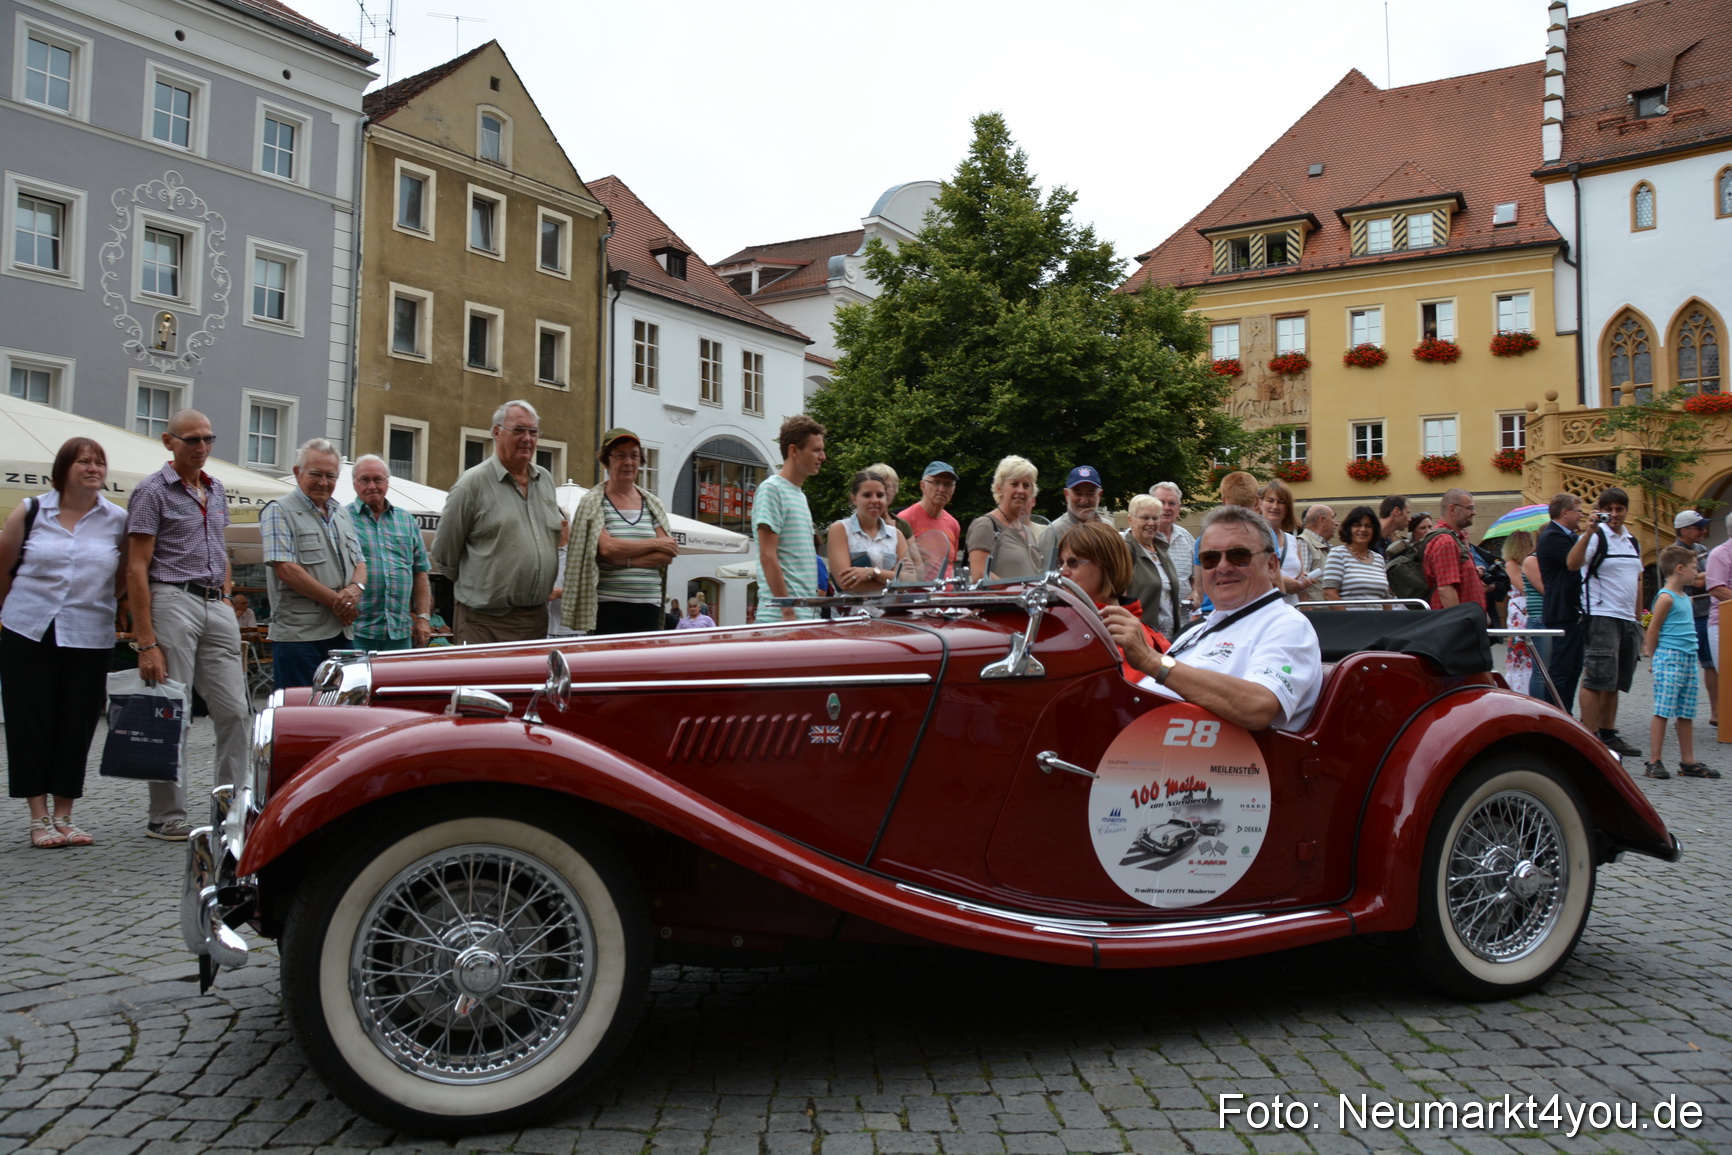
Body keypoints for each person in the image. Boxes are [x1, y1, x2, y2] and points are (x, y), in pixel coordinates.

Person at [124, 409, 250, 841]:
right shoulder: (151, 491)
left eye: (208, 439)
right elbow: (136, 568)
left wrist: (228, 594)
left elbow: (222, 548)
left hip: (216, 602)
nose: (201, 447)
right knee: (171, 711)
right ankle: (166, 815)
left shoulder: (216, 490)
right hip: (172, 598)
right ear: (168, 441)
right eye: (192, 440)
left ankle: (232, 808)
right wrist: (146, 641)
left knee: (235, 710)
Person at [0, 438, 128, 847]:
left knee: (78, 723)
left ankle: (65, 816)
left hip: (90, 633)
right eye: (84, 462)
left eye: (99, 463)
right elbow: (3, 568)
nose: (93, 468)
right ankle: (39, 820)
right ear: (64, 468)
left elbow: (124, 575)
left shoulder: (116, 519)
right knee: (30, 722)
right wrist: (11, 615)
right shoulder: (32, 510)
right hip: (29, 629)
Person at [1104, 504, 1321, 733]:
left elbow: (1258, 707)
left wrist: (1151, 660)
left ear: (1271, 565)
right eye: (1210, 559)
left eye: (1239, 556)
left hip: (1208, 763)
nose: (1223, 567)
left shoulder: (1287, 625)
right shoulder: (1197, 630)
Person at [434, 400, 565, 644]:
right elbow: (444, 554)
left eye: (533, 432)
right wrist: (482, 586)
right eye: (518, 430)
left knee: (531, 683)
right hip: (484, 623)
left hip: (535, 620)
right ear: (496, 432)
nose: (527, 438)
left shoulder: (544, 480)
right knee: (483, 683)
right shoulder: (472, 484)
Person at [260, 439, 366, 688]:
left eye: (330, 476)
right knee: (300, 714)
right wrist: (338, 602)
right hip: (299, 637)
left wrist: (355, 590)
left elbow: (360, 563)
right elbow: (286, 569)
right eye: (316, 474)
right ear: (298, 473)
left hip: (342, 634)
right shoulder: (278, 510)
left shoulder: (342, 513)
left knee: (340, 712)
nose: (323, 482)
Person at [564, 428, 677, 635]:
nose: (628, 462)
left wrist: (625, 559)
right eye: (620, 455)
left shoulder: (652, 504)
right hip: (608, 606)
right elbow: (608, 549)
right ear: (607, 461)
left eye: (634, 455)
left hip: (649, 605)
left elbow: (667, 553)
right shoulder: (594, 502)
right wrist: (654, 543)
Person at [1569, 488, 1644, 756]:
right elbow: (1572, 563)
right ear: (1601, 510)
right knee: (1596, 678)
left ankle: (1609, 734)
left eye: (1619, 509)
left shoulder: (1632, 540)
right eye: (1609, 509)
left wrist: (1638, 619)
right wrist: (1588, 531)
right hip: (1601, 616)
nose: (1614, 514)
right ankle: (1589, 736)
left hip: (1626, 619)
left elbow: (1637, 579)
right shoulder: (1596, 537)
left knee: (1615, 680)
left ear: (1626, 511)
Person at [1643, 546, 1718, 780]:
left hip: (1687, 658)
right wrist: (1654, 658)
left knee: (1686, 711)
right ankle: (1654, 760)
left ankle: (1688, 760)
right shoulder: (1666, 597)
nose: (1697, 573)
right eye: (1694, 568)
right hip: (1670, 657)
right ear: (1680, 568)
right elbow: (1653, 630)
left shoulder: (1686, 597)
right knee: (1663, 710)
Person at [1057, 520, 1165, 682]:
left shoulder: (1126, 633)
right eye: (1060, 563)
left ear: (1106, 566)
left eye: (1073, 562)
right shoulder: (1067, 620)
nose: (1062, 572)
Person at [346, 455, 431, 652]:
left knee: (397, 683)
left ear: (387, 482)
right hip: (357, 630)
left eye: (378, 479)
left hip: (400, 632)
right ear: (354, 484)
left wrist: (423, 617)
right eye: (364, 480)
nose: (372, 486)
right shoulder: (342, 519)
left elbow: (420, 572)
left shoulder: (406, 520)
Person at [754, 414, 826, 620]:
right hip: (781, 618)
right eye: (817, 450)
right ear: (794, 450)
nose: (823, 457)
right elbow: (767, 555)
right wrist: (787, 610)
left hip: (801, 615)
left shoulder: (799, 494)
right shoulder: (772, 489)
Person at [1536, 493, 1586, 713]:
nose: (1582, 516)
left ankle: (1566, 712)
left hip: (1573, 610)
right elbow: (1573, 563)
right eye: (1579, 511)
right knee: (1561, 668)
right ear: (1565, 512)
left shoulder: (1570, 536)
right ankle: (1555, 714)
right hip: (1562, 611)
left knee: (1574, 668)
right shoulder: (1553, 536)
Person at [827, 469, 908, 594]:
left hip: (890, 611)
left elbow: (908, 581)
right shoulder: (840, 530)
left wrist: (872, 572)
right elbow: (845, 583)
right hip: (853, 612)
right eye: (867, 495)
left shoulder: (896, 535)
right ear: (854, 499)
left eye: (880, 495)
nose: (875, 500)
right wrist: (892, 579)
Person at [967, 455, 1045, 582]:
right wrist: (1016, 591)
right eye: (1014, 484)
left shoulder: (1027, 531)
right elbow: (980, 574)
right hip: (1003, 601)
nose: (1020, 490)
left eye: (1026, 486)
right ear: (999, 488)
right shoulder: (986, 525)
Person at [1674, 510, 1717, 726]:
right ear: (1684, 530)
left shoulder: (1702, 549)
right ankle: (1678, 713)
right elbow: (1695, 581)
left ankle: (1716, 712)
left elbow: (1708, 577)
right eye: (1699, 527)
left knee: (1711, 664)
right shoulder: (1673, 552)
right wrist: (1701, 577)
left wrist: (1699, 577)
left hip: (1707, 612)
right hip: (1686, 616)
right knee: (1685, 665)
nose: (1704, 531)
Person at [1124, 494, 1182, 637]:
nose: (1151, 523)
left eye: (1155, 518)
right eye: (1144, 518)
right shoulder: (1124, 551)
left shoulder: (1162, 551)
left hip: (1168, 637)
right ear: (1130, 520)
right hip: (1142, 638)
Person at [1423, 489, 1485, 611]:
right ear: (1452, 510)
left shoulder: (1453, 539)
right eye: (1470, 508)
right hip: (1457, 625)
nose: (1474, 513)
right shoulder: (1446, 541)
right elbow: (1446, 589)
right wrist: (1458, 622)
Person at [900, 461, 961, 576]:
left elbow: (950, 565)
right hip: (918, 593)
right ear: (922, 486)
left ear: (953, 489)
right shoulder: (905, 520)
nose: (942, 489)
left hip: (949, 593)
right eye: (936, 482)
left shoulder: (953, 524)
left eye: (947, 484)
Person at [1322, 505, 1390, 608]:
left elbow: (1386, 598)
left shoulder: (1379, 559)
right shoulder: (1338, 554)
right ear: (1349, 529)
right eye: (1357, 525)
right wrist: (1350, 620)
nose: (1363, 529)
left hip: (1378, 622)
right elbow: (1329, 594)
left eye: (1368, 526)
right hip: (1351, 622)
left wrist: (1387, 622)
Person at [1258, 480, 1314, 603]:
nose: (1275, 506)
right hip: (1264, 612)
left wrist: (1302, 581)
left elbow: (1298, 577)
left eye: (1281, 502)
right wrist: (1281, 582)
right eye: (1270, 500)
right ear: (1260, 503)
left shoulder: (1292, 540)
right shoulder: (1251, 537)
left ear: (1287, 508)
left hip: (1291, 609)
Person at [1044, 465, 1110, 566]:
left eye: (1090, 494)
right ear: (1066, 494)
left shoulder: (1109, 529)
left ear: (1099, 495)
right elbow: (1044, 575)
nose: (1084, 500)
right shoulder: (1054, 532)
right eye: (1078, 493)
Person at [1150, 482, 1195, 612]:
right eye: (1161, 503)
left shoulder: (1186, 538)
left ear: (1178, 508)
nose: (1167, 508)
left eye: (1172, 503)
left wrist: (1196, 592)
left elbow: (1195, 578)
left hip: (1183, 621)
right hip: (1149, 623)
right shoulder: (1136, 538)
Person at [1297, 504, 1336, 603]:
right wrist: (1307, 610)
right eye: (1333, 518)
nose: (1336, 523)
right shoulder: (1303, 542)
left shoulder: (1326, 546)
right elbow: (1301, 584)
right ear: (1322, 520)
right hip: (1315, 613)